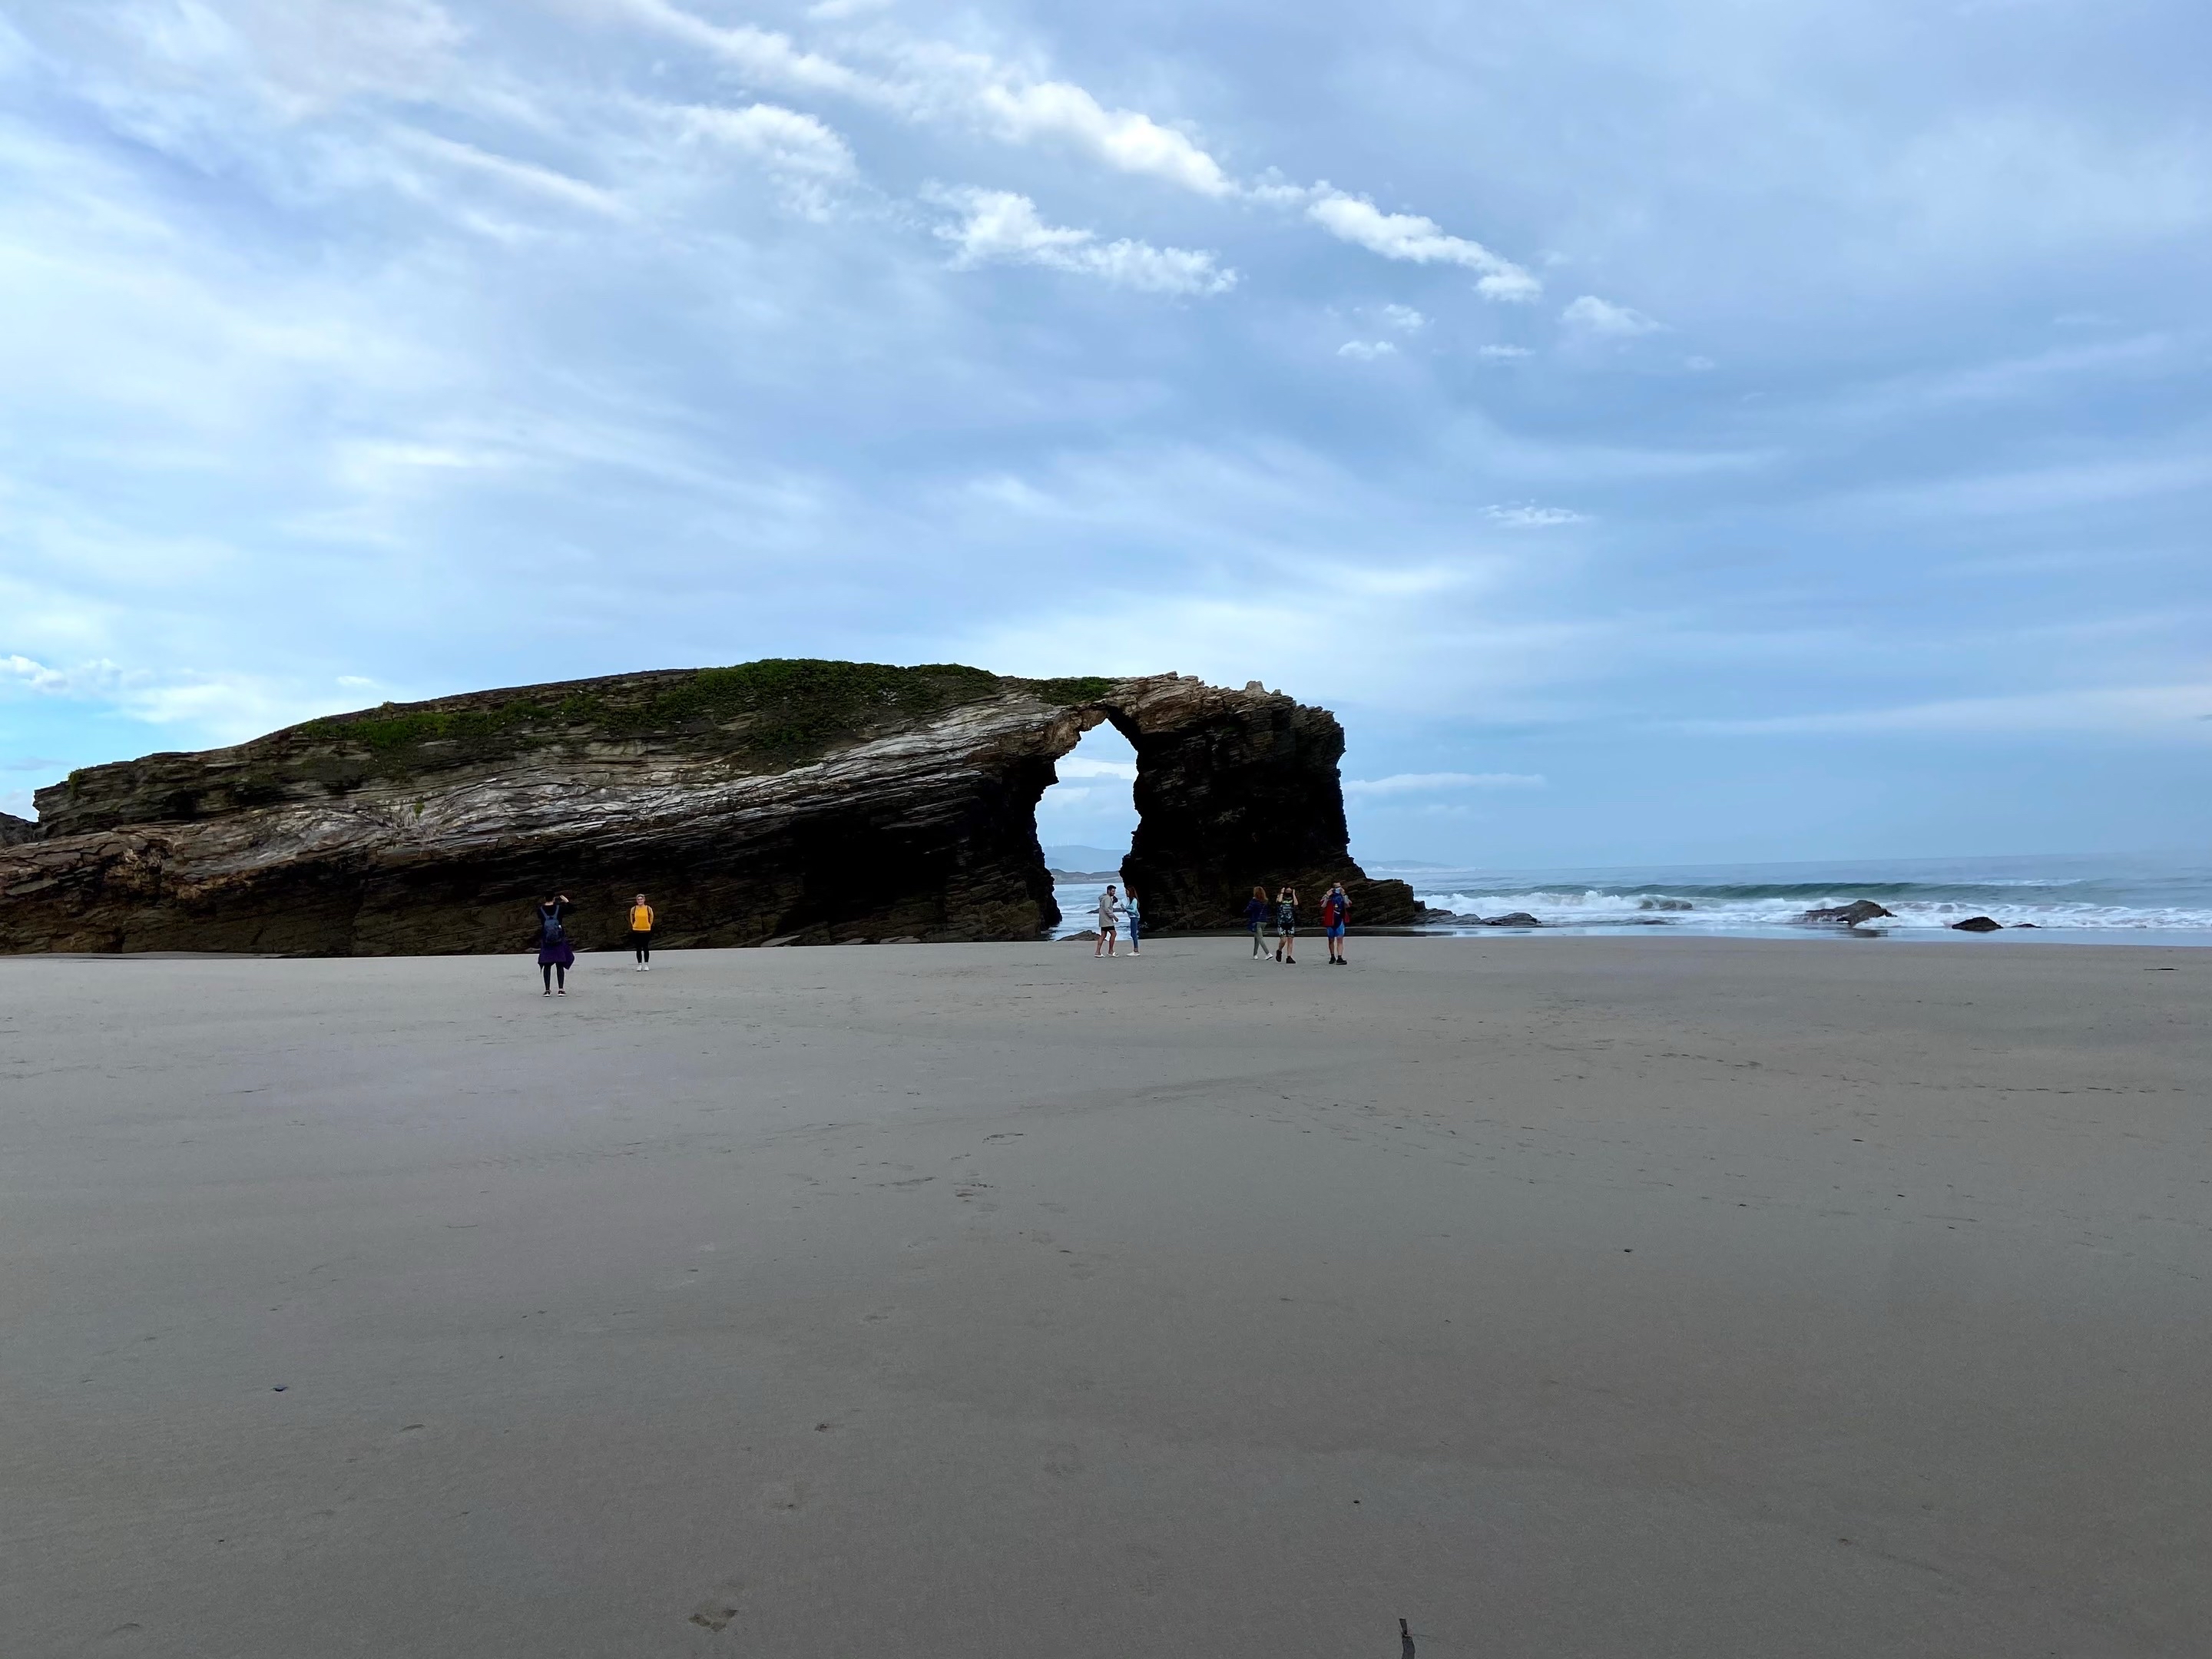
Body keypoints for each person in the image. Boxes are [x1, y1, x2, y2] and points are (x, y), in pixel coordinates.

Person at [535, 892, 575, 995]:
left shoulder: (540, 910)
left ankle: (547, 990)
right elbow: (573, 910)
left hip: (546, 939)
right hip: (559, 939)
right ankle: (561, 989)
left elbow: (542, 921)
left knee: (547, 965)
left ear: (544, 898)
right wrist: (567, 901)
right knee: (559, 964)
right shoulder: (559, 908)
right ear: (554, 898)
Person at [1323, 879, 1351, 965]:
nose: (1339, 888)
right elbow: (1323, 905)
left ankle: (1339, 957)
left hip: (1340, 920)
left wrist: (1344, 895)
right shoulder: (1328, 896)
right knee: (1331, 940)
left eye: (1340, 886)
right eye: (1337, 887)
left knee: (1340, 940)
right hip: (1330, 921)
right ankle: (1332, 956)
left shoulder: (1343, 896)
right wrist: (1327, 896)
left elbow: (1348, 904)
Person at [1094, 884, 1124, 956]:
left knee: (1103, 935)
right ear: (1109, 891)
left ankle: (1097, 952)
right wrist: (1114, 917)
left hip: (1102, 920)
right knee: (1114, 934)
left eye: (1114, 891)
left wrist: (1112, 902)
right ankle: (1110, 951)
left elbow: (1106, 907)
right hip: (1107, 920)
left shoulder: (1103, 898)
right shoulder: (1107, 898)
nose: (1114, 893)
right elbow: (1107, 909)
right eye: (1113, 891)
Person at [628, 892, 655, 970]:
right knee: (638, 948)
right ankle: (639, 964)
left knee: (646, 947)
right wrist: (635, 926)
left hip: (646, 930)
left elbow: (651, 918)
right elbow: (632, 919)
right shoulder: (634, 909)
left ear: (644, 900)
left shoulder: (648, 908)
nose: (640, 901)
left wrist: (648, 925)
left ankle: (646, 964)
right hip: (636, 930)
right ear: (636, 901)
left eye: (641, 899)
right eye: (638, 899)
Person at [1274, 885, 1299, 964]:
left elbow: (1296, 904)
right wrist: (1281, 892)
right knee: (1283, 939)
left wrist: (1294, 894)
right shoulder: (1280, 896)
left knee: (1290, 940)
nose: (1288, 893)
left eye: (1290, 892)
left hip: (1290, 921)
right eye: (1287, 891)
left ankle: (1289, 957)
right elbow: (1279, 901)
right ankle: (1279, 950)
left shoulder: (1292, 898)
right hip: (1281, 922)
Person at [1244, 886, 1270, 958]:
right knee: (1257, 937)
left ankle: (1268, 953)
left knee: (1260, 937)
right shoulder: (1265, 901)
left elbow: (1248, 910)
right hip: (1264, 921)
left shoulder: (1254, 902)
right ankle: (1255, 954)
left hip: (1256, 921)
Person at [1123, 886, 1141, 955]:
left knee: (1134, 934)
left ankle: (1136, 951)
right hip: (1132, 918)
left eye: (1127, 891)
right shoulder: (1129, 900)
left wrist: (1125, 909)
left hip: (1135, 918)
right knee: (1133, 934)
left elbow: (1133, 910)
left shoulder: (1134, 900)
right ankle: (1135, 950)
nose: (1126, 893)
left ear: (1130, 892)